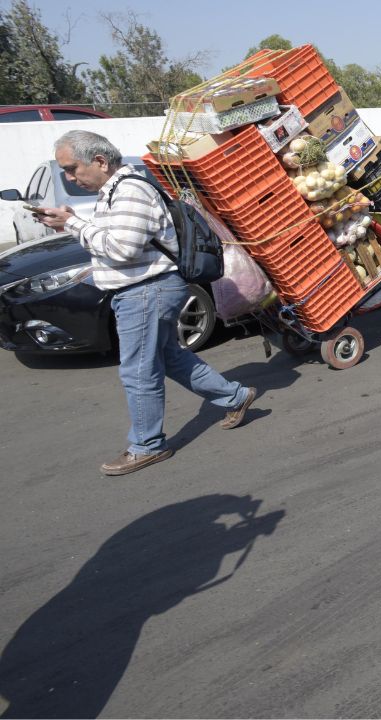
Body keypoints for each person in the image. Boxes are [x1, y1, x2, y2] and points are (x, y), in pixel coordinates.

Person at [32, 130, 257, 475]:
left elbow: (122, 249)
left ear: (100, 161)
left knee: (138, 371)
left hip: (146, 290)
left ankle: (147, 445)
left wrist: (74, 222)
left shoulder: (131, 190)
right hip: (142, 290)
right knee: (170, 358)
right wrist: (70, 223)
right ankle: (235, 397)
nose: (69, 176)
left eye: (72, 168)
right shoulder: (115, 192)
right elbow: (114, 239)